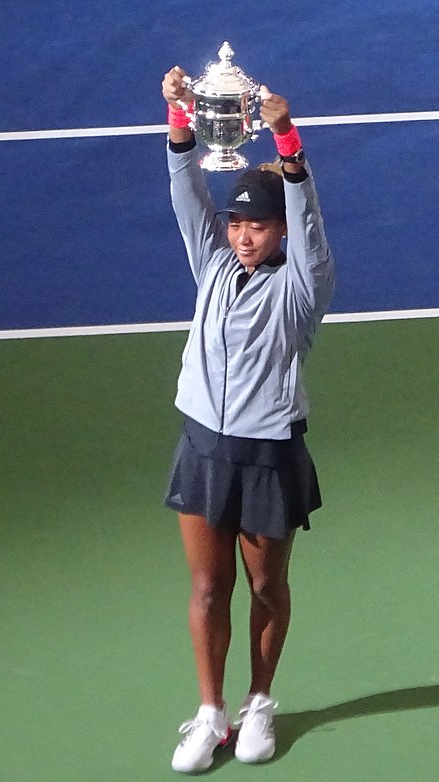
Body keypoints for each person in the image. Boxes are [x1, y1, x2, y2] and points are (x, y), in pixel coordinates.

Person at [161, 65, 335, 774]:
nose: (242, 235)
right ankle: (211, 714)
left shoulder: (302, 286)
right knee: (207, 589)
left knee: (266, 586)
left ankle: (259, 702)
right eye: (235, 222)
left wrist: (287, 140)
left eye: (256, 224)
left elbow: (308, 220)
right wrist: (179, 119)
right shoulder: (212, 266)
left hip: (267, 456)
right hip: (202, 449)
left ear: (278, 230)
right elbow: (184, 194)